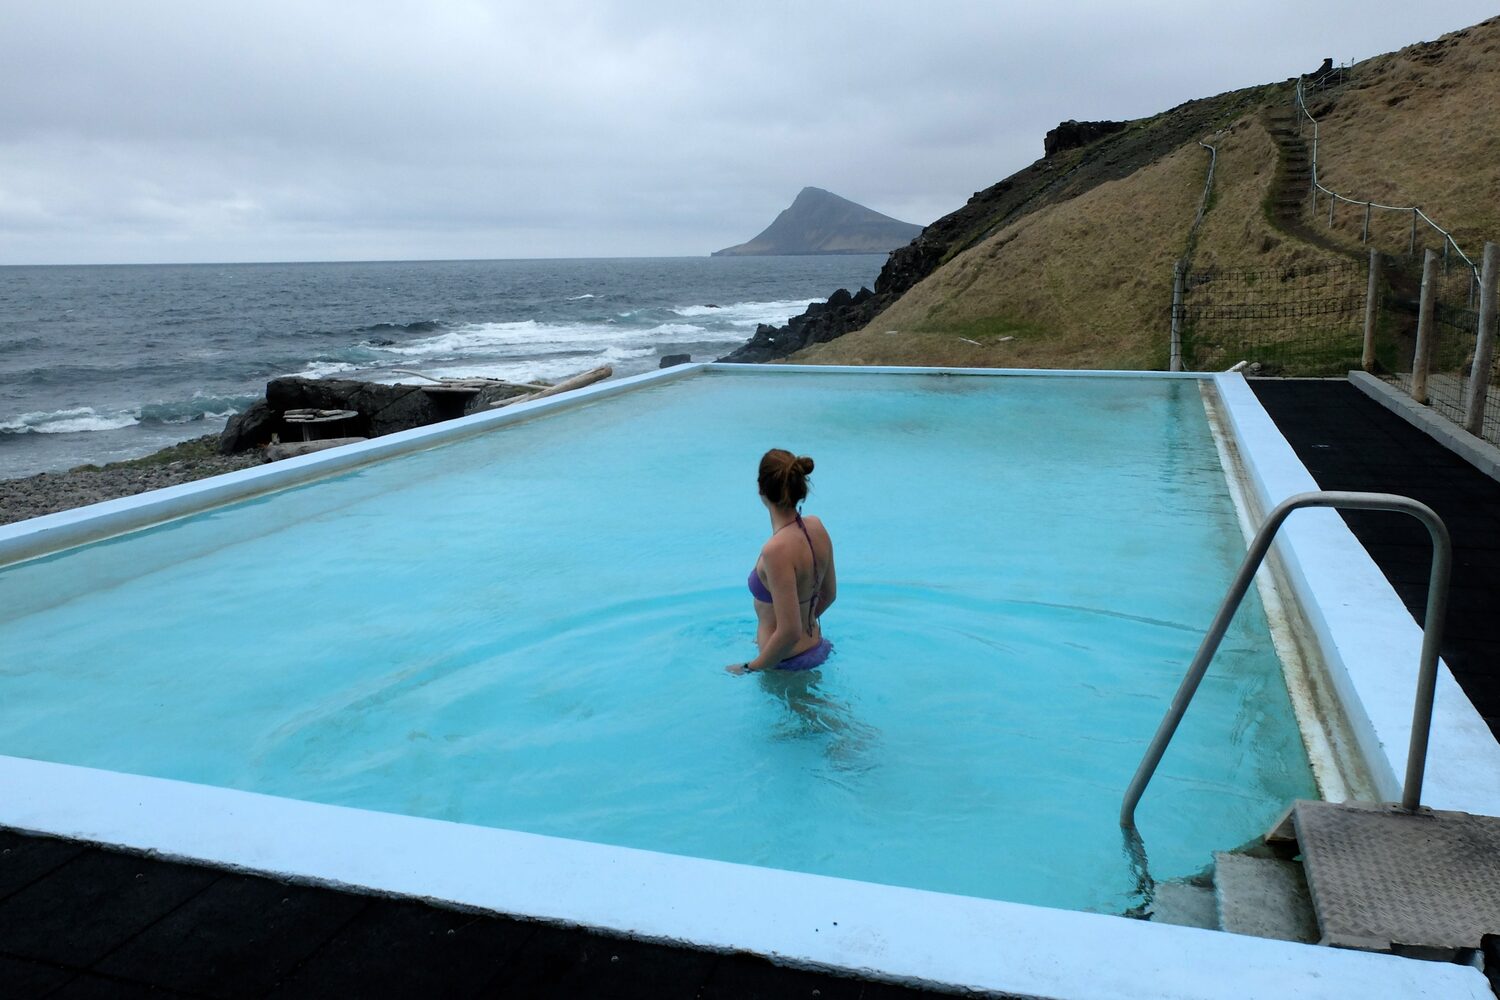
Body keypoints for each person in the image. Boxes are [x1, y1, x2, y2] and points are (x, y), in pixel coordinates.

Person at [726, 448, 837, 675]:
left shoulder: (776, 550)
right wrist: (804, 620)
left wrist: (750, 667)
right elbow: (830, 594)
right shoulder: (816, 526)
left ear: (761, 489)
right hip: (817, 646)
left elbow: (788, 632)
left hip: (784, 664)